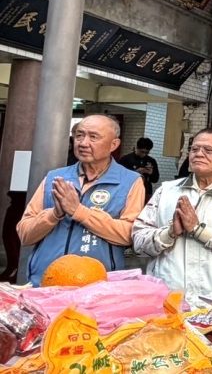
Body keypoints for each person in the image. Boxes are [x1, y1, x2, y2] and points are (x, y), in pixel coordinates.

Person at [131, 128, 212, 306]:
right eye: (194, 149)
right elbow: (138, 242)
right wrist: (169, 234)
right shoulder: (167, 190)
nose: (199, 154)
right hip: (168, 298)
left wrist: (198, 230)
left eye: (208, 150)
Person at [18, 115, 145, 286]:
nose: (83, 143)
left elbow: (128, 235)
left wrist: (79, 212)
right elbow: (25, 234)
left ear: (113, 145)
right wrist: (54, 215)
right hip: (45, 282)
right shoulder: (55, 177)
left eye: (93, 137)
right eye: (79, 135)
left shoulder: (130, 181)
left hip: (97, 286)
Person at [119, 137, 161, 206]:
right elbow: (120, 176)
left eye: (146, 153)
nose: (144, 154)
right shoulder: (126, 159)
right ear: (136, 148)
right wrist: (136, 172)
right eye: (142, 152)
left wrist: (151, 173)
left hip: (146, 190)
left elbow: (155, 179)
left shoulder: (151, 161)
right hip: (129, 190)